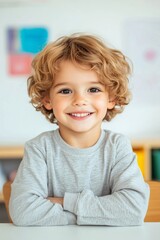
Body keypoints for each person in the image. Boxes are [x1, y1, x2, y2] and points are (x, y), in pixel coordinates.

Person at [9, 33, 149, 226]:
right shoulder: (39, 148)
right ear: (47, 100)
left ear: (111, 98)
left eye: (93, 89)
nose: (79, 101)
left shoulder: (117, 146)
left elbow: (132, 210)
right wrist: (103, 215)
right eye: (65, 91)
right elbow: (24, 212)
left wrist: (64, 202)